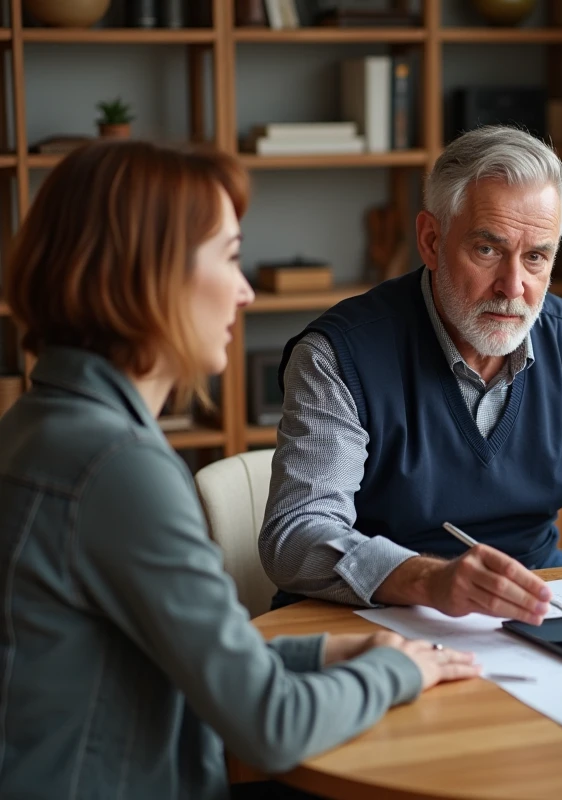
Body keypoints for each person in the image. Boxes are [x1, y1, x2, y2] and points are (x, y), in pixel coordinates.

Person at [0, 140, 478, 799]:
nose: (247, 291)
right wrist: (399, 675)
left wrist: (333, 652)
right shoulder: (118, 470)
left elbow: (173, 659)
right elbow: (269, 726)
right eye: (229, 256)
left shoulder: (37, 426)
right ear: (150, 274)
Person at [260, 125, 562, 620]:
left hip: (531, 604)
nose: (513, 286)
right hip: (378, 615)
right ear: (432, 241)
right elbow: (297, 534)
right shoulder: (339, 357)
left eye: (536, 257)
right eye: (487, 250)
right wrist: (430, 580)